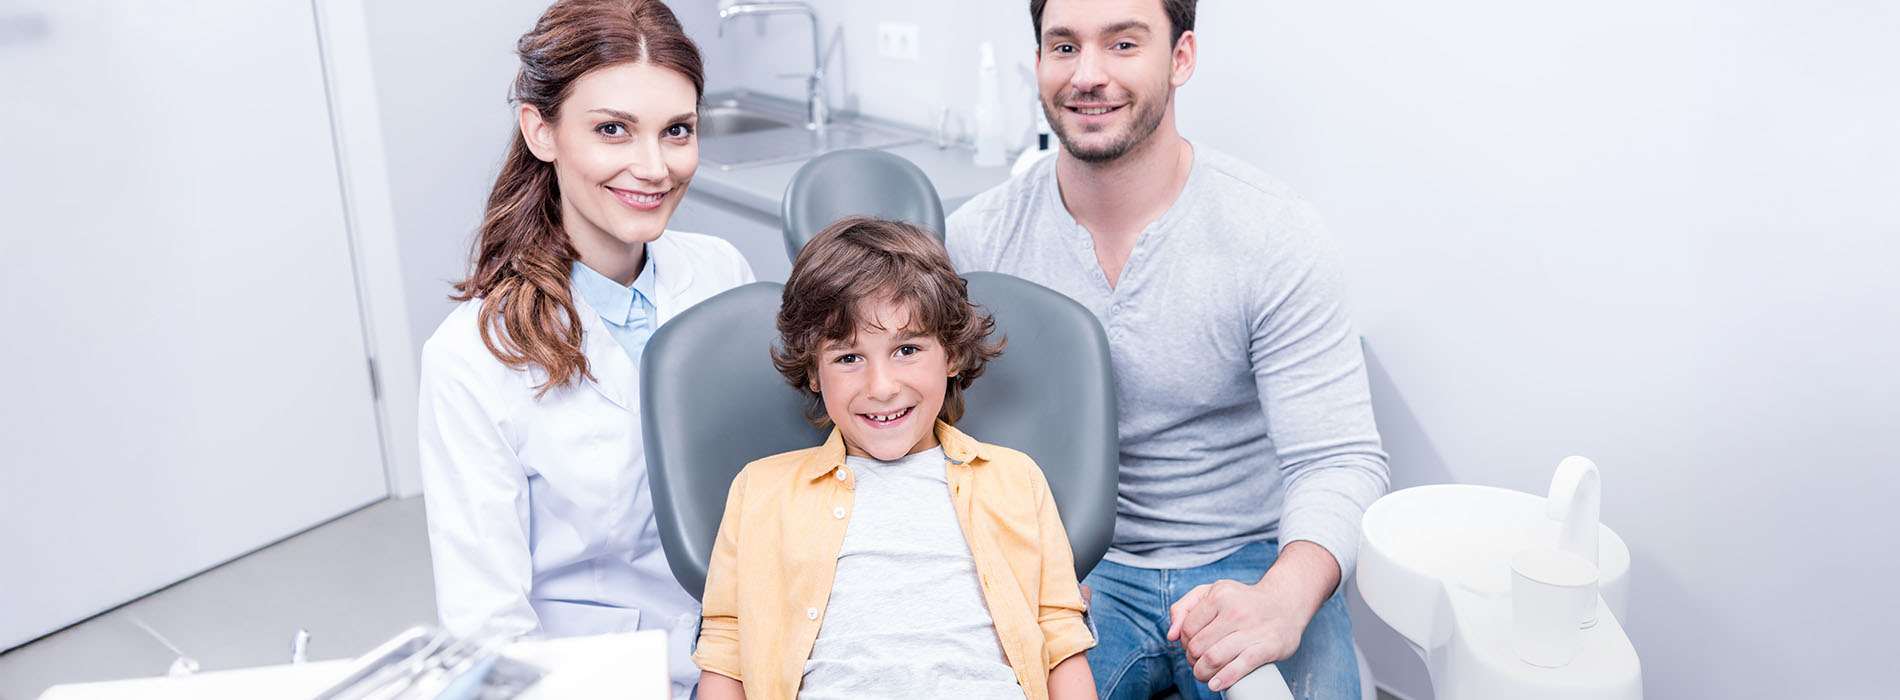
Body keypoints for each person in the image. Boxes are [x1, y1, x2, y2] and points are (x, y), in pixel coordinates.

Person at [945, 1, 1391, 698]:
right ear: (1037, 63)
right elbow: (942, 435)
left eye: (1123, 44)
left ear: (1181, 57)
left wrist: (1282, 597)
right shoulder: (978, 240)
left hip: (1250, 557)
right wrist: (1015, 563)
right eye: (1063, 47)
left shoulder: (1273, 236)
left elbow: (1338, 458)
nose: (1087, 74)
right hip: (1074, 565)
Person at [414, 1, 753, 697]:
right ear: (541, 131)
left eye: (677, 131)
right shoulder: (472, 359)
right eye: (612, 131)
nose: (655, 167)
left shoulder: (721, 272)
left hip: (752, 653)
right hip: (601, 679)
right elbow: (489, 629)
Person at [692, 217, 1095, 700]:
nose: (881, 387)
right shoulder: (759, 490)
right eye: (848, 358)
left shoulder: (1016, 479)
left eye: (906, 349)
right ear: (814, 371)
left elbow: (1060, 639)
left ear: (950, 354)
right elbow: (726, 649)